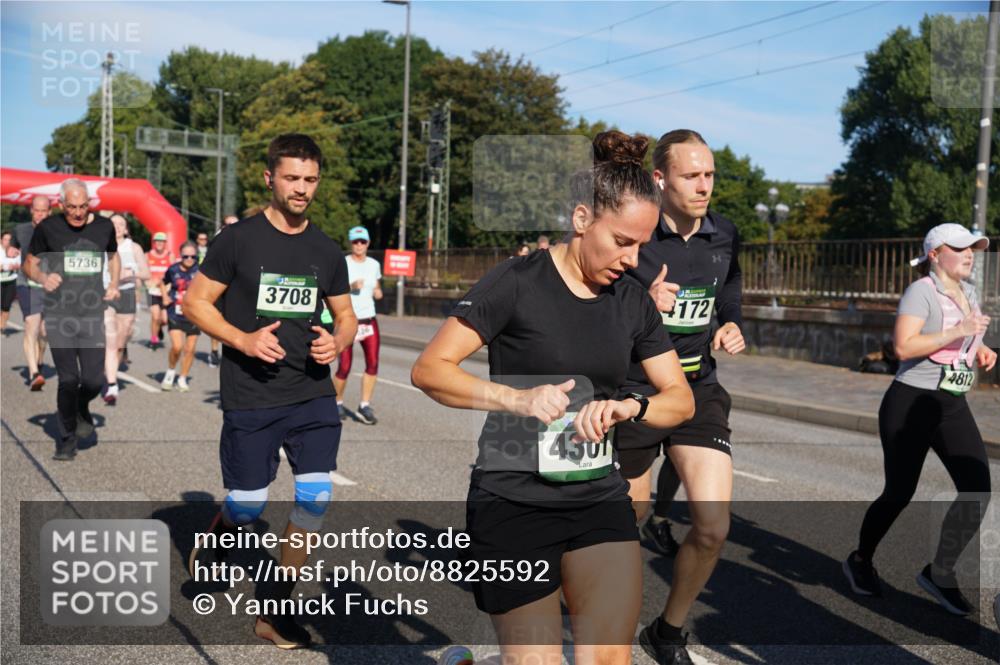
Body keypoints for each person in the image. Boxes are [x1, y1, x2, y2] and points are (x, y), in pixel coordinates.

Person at [411, 131, 695, 664]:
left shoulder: (632, 301)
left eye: (642, 244)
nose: (633, 260)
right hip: (513, 500)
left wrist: (631, 406)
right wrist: (513, 399)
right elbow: (431, 370)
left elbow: (680, 398)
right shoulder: (518, 283)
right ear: (583, 219)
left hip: (597, 498)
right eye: (622, 242)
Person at [184, 134, 357, 648]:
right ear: (269, 178)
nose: (301, 189)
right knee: (247, 506)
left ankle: (275, 611)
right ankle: (222, 529)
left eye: (310, 179)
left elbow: (345, 316)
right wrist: (243, 338)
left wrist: (337, 340)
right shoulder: (238, 241)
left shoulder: (325, 249)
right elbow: (196, 304)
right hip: (251, 395)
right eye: (291, 178)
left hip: (311, 394)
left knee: (315, 499)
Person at [613, 129, 746, 664]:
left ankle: (666, 631)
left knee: (712, 526)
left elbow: (730, 288)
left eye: (709, 174)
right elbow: (594, 297)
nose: (704, 185)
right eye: (692, 175)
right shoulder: (635, 233)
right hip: (637, 391)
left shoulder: (725, 233)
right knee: (628, 520)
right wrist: (641, 300)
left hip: (698, 389)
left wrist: (731, 324)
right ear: (659, 179)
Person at [844, 223, 994, 616]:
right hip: (910, 403)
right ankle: (860, 559)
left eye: (973, 248)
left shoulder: (969, 292)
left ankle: (939, 572)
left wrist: (979, 351)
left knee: (977, 489)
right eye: (960, 248)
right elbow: (903, 346)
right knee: (899, 491)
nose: (970, 254)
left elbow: (962, 340)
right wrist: (960, 330)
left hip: (951, 404)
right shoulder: (920, 292)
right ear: (934, 254)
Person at [23, 179, 119, 461]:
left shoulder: (104, 226)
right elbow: (30, 262)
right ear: (61, 205)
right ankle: (65, 440)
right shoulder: (48, 228)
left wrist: (113, 282)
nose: (78, 213)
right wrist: (42, 277)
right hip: (59, 312)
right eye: (71, 207)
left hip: (91, 312)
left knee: (92, 380)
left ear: (89, 202)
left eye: (83, 206)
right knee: (68, 378)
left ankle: (80, 406)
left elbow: (112, 257)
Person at [331, 225, 383, 425]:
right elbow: (332, 289)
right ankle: (337, 402)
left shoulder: (374, 264)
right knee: (344, 366)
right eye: (355, 242)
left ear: (368, 243)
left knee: (373, 363)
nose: (359, 245)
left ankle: (364, 405)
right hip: (347, 321)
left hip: (369, 320)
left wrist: (378, 293)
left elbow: (376, 287)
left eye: (362, 242)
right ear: (350, 243)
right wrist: (351, 287)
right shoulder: (343, 263)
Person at [103, 214, 150, 405]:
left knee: (121, 341)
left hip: (127, 294)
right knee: (111, 340)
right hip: (106, 293)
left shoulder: (134, 247)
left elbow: (146, 273)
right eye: (114, 223)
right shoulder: (101, 245)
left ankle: (113, 363)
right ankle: (112, 384)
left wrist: (131, 273)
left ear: (126, 228)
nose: (118, 227)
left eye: (121, 224)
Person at [11, 195, 52, 390]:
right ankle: (34, 372)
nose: (39, 214)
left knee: (44, 331)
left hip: (47, 285)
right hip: (25, 283)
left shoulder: (57, 231)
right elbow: (12, 245)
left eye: (43, 211)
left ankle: (40, 357)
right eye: (36, 210)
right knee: (31, 324)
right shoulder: (21, 230)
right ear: (31, 211)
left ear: (49, 212)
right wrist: (11, 250)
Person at [159, 241, 202, 392]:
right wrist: (164, 297)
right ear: (180, 256)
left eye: (193, 256)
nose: (189, 259)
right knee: (177, 347)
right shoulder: (173, 269)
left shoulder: (201, 270)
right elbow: (162, 283)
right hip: (175, 313)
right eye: (186, 256)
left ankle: (183, 377)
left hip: (195, 314)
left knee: (190, 349)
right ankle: (171, 371)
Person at [205, 214, 242, 369]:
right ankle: (214, 351)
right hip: (220, 285)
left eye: (235, 224)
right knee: (217, 317)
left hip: (238, 286)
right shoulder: (218, 240)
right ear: (223, 226)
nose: (231, 227)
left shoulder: (246, 239)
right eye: (228, 224)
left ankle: (237, 347)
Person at [146, 231, 174, 349]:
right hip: (152, 291)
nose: (159, 243)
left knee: (165, 320)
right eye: (157, 241)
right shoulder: (147, 255)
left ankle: (158, 329)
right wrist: (150, 282)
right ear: (154, 242)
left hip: (166, 292)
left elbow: (173, 272)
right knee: (155, 316)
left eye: (161, 241)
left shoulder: (169, 256)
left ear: (165, 243)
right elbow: (145, 273)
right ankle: (154, 340)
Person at [1, 231, 18, 331]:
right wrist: (4, 267)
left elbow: (22, 264)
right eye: (5, 239)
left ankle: (2, 328)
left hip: (11, 280)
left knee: (6, 306)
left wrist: (16, 266)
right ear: (1, 240)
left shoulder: (15, 251)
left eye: (9, 240)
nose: (7, 242)